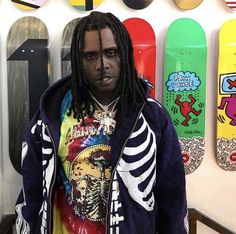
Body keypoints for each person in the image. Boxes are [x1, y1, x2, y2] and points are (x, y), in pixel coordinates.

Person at [15, 11, 188, 234]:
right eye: (90, 56)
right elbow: (32, 190)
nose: (102, 64)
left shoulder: (153, 116)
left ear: (124, 54)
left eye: (111, 52)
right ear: (79, 60)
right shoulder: (52, 114)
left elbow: (172, 197)